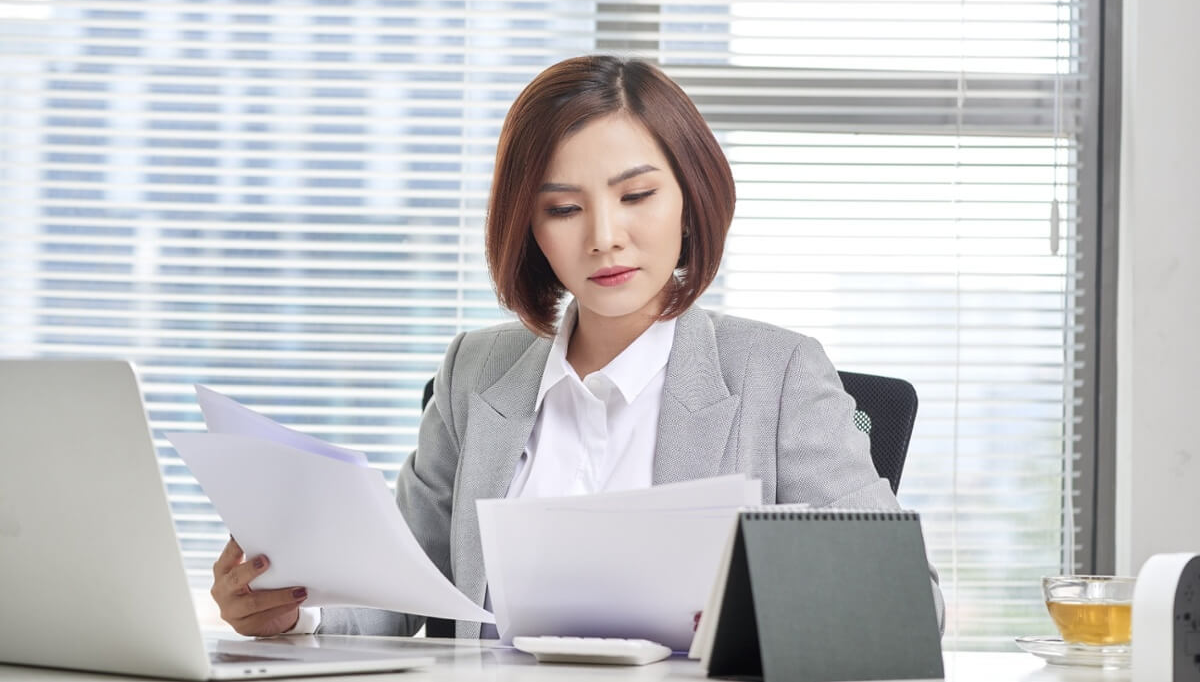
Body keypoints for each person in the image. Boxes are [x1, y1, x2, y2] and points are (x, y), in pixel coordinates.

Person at [209, 55, 945, 639]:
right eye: (564, 208)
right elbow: (390, 593)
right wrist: (290, 607)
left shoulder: (777, 374)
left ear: (689, 199)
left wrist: (760, 612)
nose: (603, 236)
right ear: (529, 229)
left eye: (635, 196)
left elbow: (916, 604)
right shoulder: (474, 374)